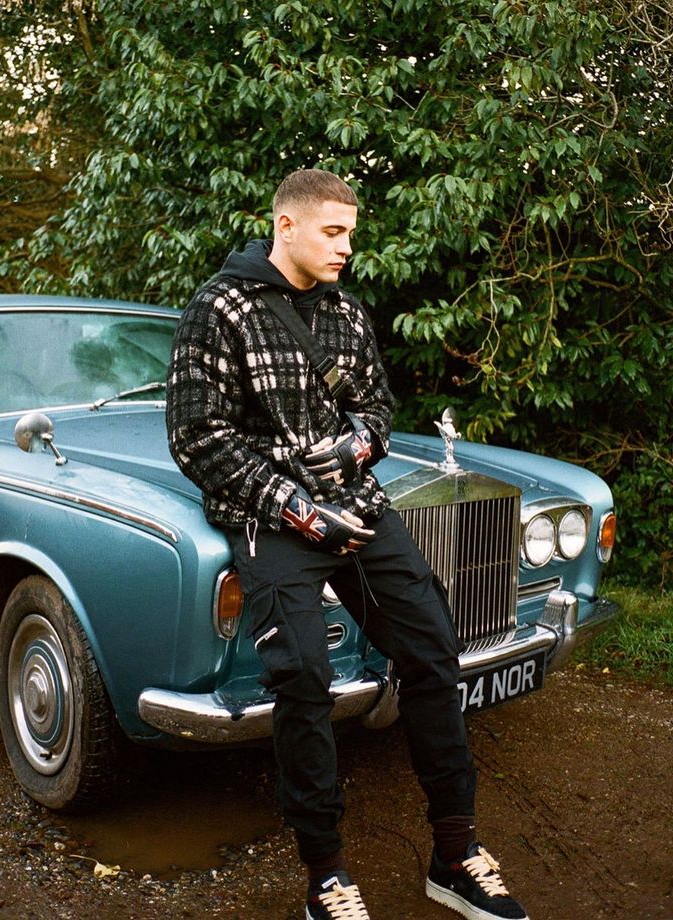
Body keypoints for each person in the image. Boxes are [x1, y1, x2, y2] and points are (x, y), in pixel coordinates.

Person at [166, 169, 529, 920]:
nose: (348, 248)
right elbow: (197, 436)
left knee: (432, 650)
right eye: (334, 232)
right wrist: (297, 505)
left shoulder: (347, 313)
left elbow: (377, 408)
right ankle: (325, 876)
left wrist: (360, 444)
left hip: (360, 511)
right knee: (302, 677)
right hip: (273, 523)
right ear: (285, 226)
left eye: (352, 233)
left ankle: (455, 852)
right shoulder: (218, 309)